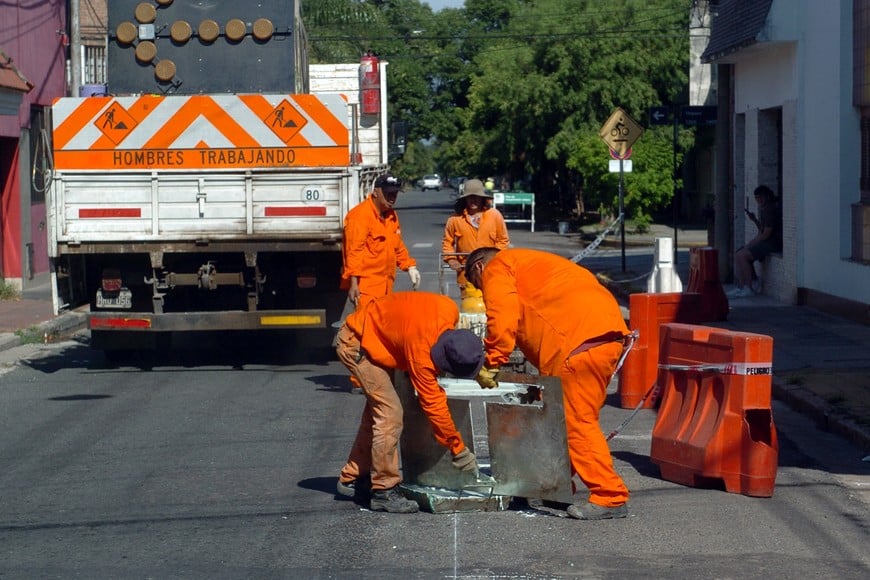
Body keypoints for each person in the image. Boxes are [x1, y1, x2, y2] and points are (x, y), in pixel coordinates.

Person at [464, 247, 631, 521]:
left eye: (477, 284)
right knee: (564, 421)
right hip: (599, 336)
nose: (482, 293)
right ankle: (558, 485)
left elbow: (503, 316)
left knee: (575, 423)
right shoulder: (530, 264)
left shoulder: (497, 267)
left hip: (577, 342)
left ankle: (610, 495)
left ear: (480, 268)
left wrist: (492, 361)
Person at [334, 291, 485, 514]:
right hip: (357, 344)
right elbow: (435, 406)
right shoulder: (421, 355)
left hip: (377, 335)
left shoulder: (449, 309)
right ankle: (384, 491)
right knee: (390, 414)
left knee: (376, 414)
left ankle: (353, 476)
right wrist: (458, 449)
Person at [341, 173, 420, 312]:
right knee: (363, 329)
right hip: (365, 289)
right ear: (376, 192)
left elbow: (397, 245)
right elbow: (353, 252)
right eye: (388, 193)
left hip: (385, 287)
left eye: (395, 193)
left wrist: (409, 266)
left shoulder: (391, 215)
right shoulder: (360, 216)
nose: (392, 197)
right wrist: (353, 285)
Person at [441, 178, 510, 298]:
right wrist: (452, 259)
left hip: (491, 272)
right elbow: (447, 243)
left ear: (482, 198)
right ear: (465, 199)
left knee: (492, 308)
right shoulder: (454, 219)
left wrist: (492, 259)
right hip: (466, 273)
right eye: (470, 197)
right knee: (469, 309)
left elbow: (503, 240)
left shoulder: (494, 215)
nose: (473, 200)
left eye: (476, 197)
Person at [729, 185, 782, 298]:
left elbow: (766, 234)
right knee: (739, 253)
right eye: (757, 198)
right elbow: (762, 230)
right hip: (768, 241)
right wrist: (754, 220)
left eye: (760, 197)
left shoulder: (770, 209)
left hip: (773, 242)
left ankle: (749, 287)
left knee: (742, 255)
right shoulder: (765, 209)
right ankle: (742, 286)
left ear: (767, 196)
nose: (759, 200)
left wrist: (750, 245)